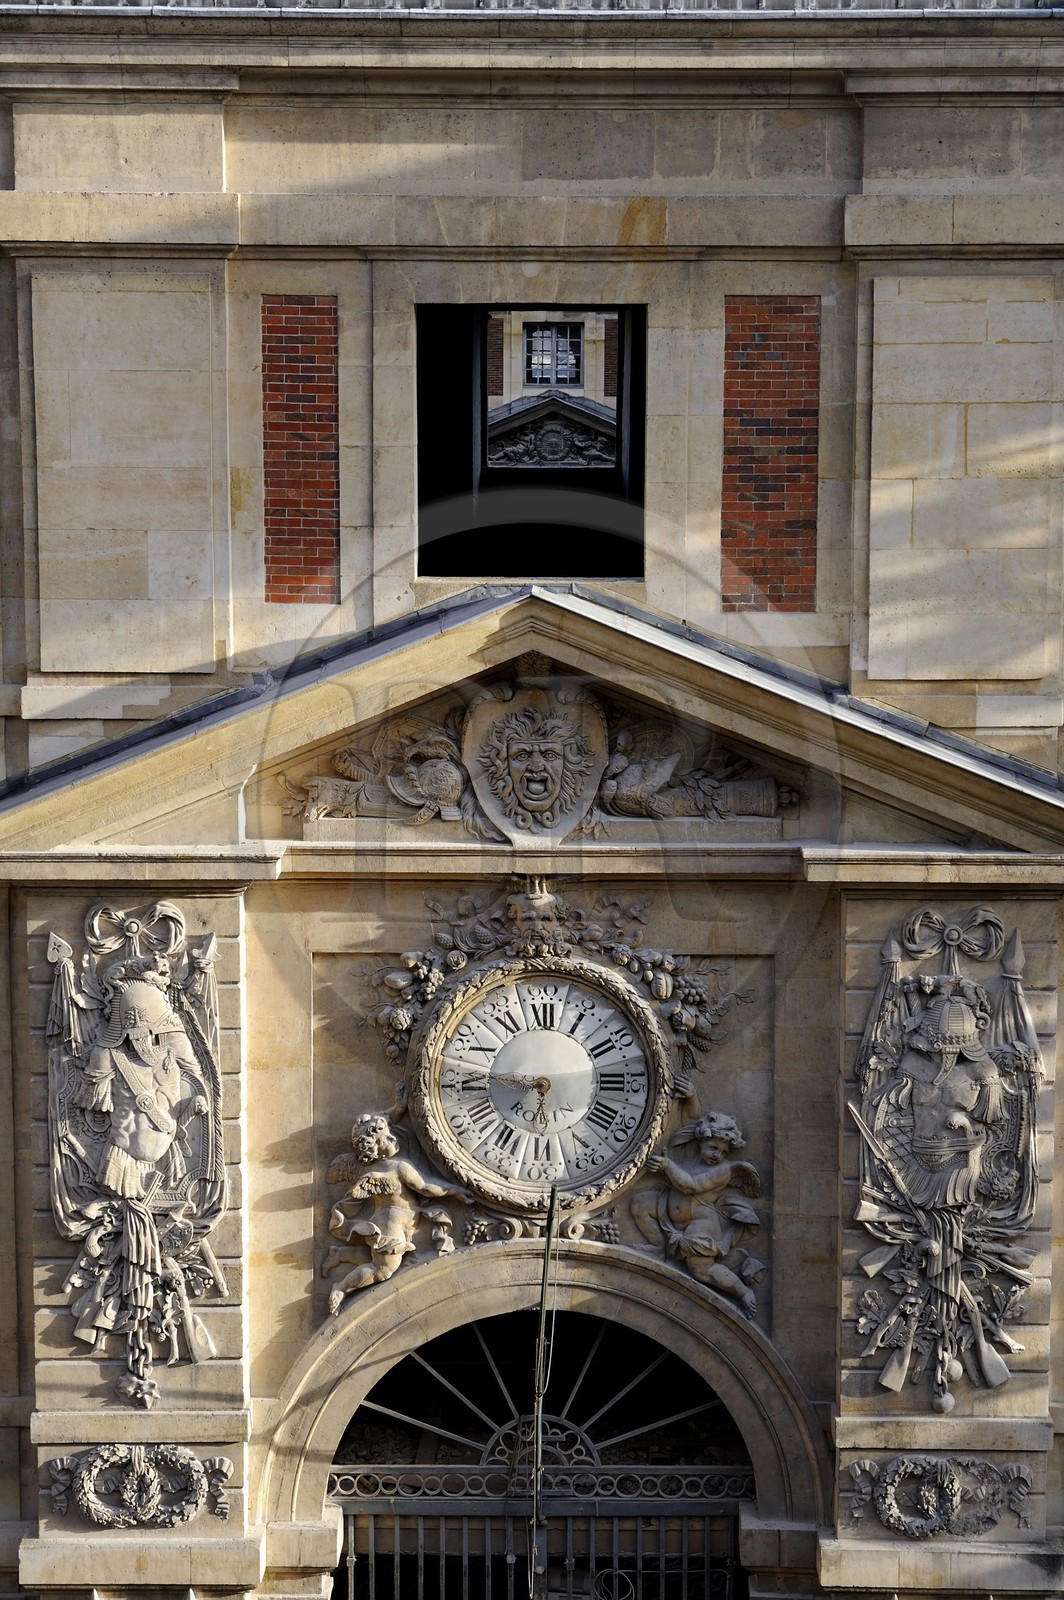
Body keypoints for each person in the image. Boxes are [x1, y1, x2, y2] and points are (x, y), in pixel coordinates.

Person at [325, 1114, 470, 1314]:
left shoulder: (370, 1168)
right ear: (373, 1147)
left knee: (380, 1259)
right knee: (383, 1270)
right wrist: (454, 1190)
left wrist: (400, 1108)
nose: (393, 1138)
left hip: (388, 1223)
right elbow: (425, 1187)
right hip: (391, 1227)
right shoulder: (399, 1167)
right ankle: (341, 1287)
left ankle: (339, 1254)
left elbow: (387, 1117)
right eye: (386, 1137)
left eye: (390, 1133)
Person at [633, 1110, 764, 1318]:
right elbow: (688, 1119)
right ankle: (658, 1248)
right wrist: (691, 1096)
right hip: (666, 1207)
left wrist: (667, 1165)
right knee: (640, 1204)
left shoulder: (723, 1171)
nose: (718, 1155)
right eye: (713, 1148)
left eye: (724, 1152)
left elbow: (691, 1186)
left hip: (700, 1224)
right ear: (701, 1140)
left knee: (702, 1271)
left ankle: (743, 1292)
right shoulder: (690, 1154)